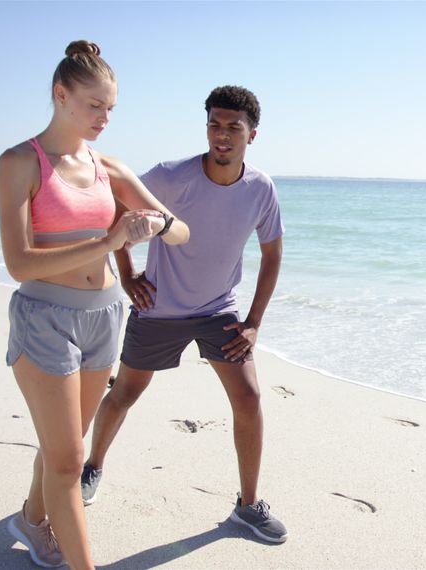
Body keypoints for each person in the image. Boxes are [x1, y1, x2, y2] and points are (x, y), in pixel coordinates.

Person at [0, 40, 189, 569]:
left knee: (65, 446)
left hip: (104, 316)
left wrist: (156, 223)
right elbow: (19, 263)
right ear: (61, 95)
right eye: (95, 105)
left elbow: (181, 232)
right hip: (45, 318)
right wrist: (110, 240)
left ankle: (31, 521)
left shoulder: (110, 168)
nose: (104, 118)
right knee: (68, 461)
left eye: (111, 108)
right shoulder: (20, 162)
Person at [80, 85, 287, 543]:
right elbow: (117, 209)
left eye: (233, 127)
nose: (222, 134)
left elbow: (272, 255)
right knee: (126, 392)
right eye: (215, 124)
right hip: (160, 309)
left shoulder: (261, 188)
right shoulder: (171, 176)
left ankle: (248, 506)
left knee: (249, 398)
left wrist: (254, 323)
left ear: (252, 135)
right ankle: (91, 467)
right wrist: (128, 273)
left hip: (219, 311)